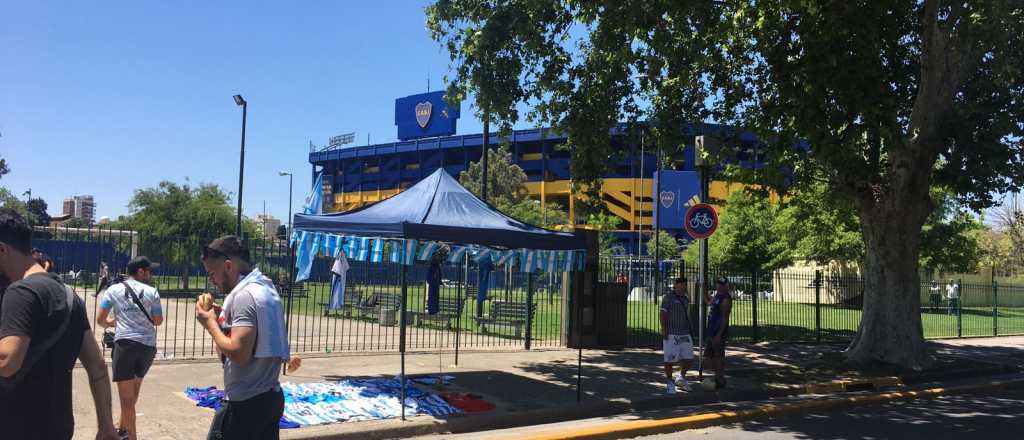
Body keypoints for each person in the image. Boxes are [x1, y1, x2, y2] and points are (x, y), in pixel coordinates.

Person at [0, 208, 119, 440]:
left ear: (2, 249)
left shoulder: (20, 292)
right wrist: (106, 426)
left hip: (17, 427)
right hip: (58, 426)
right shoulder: (69, 296)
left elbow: (7, 360)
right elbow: (97, 366)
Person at [197, 235, 289, 439]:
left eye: (212, 273)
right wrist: (224, 321)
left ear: (228, 266)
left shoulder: (243, 296)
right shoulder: (265, 288)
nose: (211, 280)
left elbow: (239, 354)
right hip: (269, 397)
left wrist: (210, 323)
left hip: (245, 405)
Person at [96, 256, 164, 440]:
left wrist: (112, 322)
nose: (151, 274)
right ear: (141, 271)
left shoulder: (113, 290)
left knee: (126, 397)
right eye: (149, 271)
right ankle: (123, 425)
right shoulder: (152, 292)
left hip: (125, 345)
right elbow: (158, 321)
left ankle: (131, 436)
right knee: (134, 390)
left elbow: (100, 320)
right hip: (147, 347)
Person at [660, 277, 694, 394]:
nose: (684, 287)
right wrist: (664, 329)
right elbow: (663, 312)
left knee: (689, 359)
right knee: (670, 359)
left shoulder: (685, 299)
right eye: (682, 285)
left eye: (685, 285)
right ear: (676, 285)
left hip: (685, 333)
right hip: (672, 333)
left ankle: (680, 377)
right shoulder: (668, 297)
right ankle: (669, 382)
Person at [704, 277, 733, 389]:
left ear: (726, 286)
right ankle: (717, 375)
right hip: (711, 331)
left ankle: (720, 378)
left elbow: (725, 318)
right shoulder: (717, 296)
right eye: (718, 284)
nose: (719, 287)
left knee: (718, 356)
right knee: (709, 357)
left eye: (722, 285)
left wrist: (719, 335)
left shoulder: (726, 299)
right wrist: (703, 290)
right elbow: (708, 302)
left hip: (718, 332)